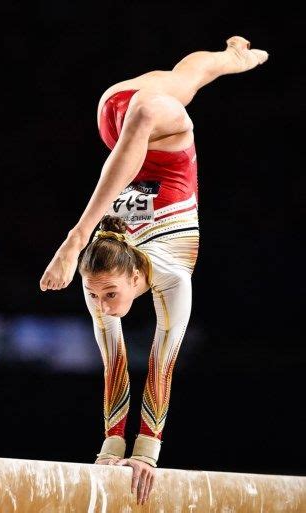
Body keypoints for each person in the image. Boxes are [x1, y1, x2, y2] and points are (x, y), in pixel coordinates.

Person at [39, 36, 269, 505]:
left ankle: (229, 59)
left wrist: (143, 450)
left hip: (124, 118)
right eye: (100, 296)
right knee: (180, 83)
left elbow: (154, 361)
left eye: (105, 295)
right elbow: (124, 362)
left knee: (165, 95)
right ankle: (229, 59)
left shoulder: (115, 265)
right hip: (162, 136)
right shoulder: (136, 277)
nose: (102, 304)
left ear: (130, 279)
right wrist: (117, 449)